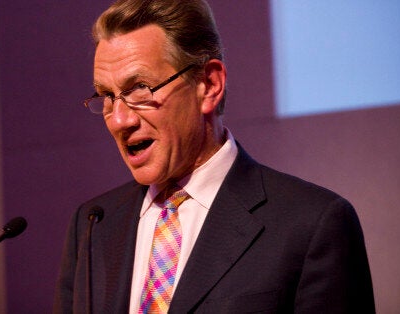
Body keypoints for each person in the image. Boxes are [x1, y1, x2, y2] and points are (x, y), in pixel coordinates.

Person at [54, 0, 375, 313]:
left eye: (140, 87)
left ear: (209, 85)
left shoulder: (311, 224)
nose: (120, 120)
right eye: (108, 97)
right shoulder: (93, 224)